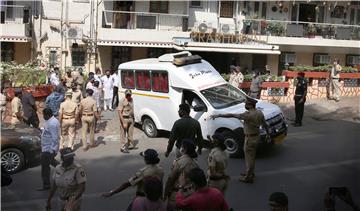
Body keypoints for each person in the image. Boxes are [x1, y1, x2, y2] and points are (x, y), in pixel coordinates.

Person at [211, 98, 271, 183]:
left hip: (249, 139)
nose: (245, 106)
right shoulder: (259, 112)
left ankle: (248, 177)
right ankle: (249, 172)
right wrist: (268, 134)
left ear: (250, 105)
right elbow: (265, 124)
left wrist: (219, 115)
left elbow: (232, 115)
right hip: (256, 137)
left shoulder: (248, 115)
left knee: (249, 158)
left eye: (246, 104)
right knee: (252, 156)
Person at [164, 139, 199, 209]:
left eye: (182, 146)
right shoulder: (195, 163)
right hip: (190, 192)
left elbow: (171, 179)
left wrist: (166, 193)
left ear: (184, 150)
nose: (181, 148)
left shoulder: (179, 162)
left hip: (177, 193)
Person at [38, 108, 60, 191]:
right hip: (47, 148)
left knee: (45, 168)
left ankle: (46, 185)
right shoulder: (51, 121)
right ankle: (65, 169)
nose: (43, 116)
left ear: (47, 115)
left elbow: (55, 138)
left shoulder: (52, 123)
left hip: (48, 149)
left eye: (43, 115)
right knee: (52, 163)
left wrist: (52, 150)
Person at [118, 89, 135, 153]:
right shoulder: (122, 101)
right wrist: (123, 122)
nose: (128, 96)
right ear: (125, 95)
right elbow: (119, 112)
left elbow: (132, 109)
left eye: (129, 95)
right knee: (123, 134)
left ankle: (129, 145)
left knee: (130, 134)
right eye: (127, 95)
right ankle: (122, 148)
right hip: (124, 118)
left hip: (131, 118)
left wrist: (133, 118)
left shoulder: (132, 100)